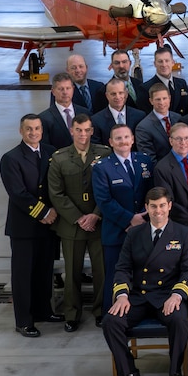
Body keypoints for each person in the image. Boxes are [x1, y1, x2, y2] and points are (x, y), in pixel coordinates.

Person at [103, 186, 188, 376]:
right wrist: (122, 296)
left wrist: (177, 295)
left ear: (170, 206)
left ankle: (175, 374)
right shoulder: (134, 234)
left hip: (167, 296)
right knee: (111, 321)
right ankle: (129, 373)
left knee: (179, 321)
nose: (158, 211)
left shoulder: (183, 233)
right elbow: (123, 268)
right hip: (138, 296)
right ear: (146, 208)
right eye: (153, 206)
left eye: (162, 205)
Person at [0, 113, 60, 337]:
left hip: (48, 226)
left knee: (44, 271)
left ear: (42, 131)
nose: (33, 132)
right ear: (21, 131)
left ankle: (43, 311)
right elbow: (18, 193)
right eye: (29, 129)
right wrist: (43, 212)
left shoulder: (51, 152)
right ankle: (24, 320)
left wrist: (53, 212)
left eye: (37, 128)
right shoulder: (11, 158)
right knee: (23, 275)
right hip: (24, 227)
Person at [47, 114, 110, 331]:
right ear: (71, 131)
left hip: (98, 222)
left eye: (87, 130)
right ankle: (72, 314)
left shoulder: (104, 154)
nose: (83, 134)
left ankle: (101, 311)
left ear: (92, 131)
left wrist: (95, 214)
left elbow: (109, 188)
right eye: (78, 130)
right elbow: (56, 194)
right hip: (71, 225)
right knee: (72, 271)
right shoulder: (59, 158)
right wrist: (79, 218)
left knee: (101, 270)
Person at [92, 123, 153, 312]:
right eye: (118, 138)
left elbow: (151, 192)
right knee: (114, 274)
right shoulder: (102, 167)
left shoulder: (144, 161)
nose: (123, 141)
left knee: (141, 274)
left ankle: (135, 313)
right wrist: (129, 219)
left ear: (133, 139)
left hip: (143, 228)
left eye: (126, 137)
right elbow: (104, 201)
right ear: (111, 142)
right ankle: (110, 315)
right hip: (116, 231)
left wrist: (142, 217)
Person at [152, 121, 188, 253]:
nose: (183, 142)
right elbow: (168, 201)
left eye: (187, 138)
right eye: (178, 139)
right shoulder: (162, 168)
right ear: (171, 141)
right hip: (179, 225)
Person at [40, 72, 89, 150]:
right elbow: (45, 147)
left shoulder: (86, 113)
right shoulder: (44, 118)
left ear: (73, 89)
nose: (65, 92)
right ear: (53, 91)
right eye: (61, 89)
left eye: (68, 88)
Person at [134, 83, 182, 161]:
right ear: (151, 101)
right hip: (160, 167)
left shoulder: (178, 118)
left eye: (164, 98)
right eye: (158, 99)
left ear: (169, 98)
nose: (162, 102)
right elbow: (149, 158)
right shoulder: (143, 127)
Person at [90, 78, 145, 144]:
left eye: (121, 93)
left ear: (126, 94)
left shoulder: (139, 116)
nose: (117, 97)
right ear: (107, 96)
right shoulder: (96, 121)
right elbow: (98, 147)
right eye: (113, 94)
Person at [143, 45, 188, 115]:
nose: (164, 64)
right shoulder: (145, 88)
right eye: (160, 61)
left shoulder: (182, 83)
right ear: (155, 64)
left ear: (173, 63)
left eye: (167, 61)